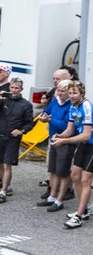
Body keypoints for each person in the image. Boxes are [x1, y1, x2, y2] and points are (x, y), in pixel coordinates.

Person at [0, 77, 34, 204]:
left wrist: (21, 131)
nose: (14, 90)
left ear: (21, 89)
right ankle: (5, 186)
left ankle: (3, 192)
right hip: (0, 135)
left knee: (7, 164)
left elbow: (30, 123)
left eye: (17, 88)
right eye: (12, 87)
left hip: (13, 139)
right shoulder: (5, 100)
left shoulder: (26, 105)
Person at [50, 81, 93, 228]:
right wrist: (60, 136)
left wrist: (65, 141)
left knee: (86, 180)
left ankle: (79, 216)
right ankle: (85, 208)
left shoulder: (86, 106)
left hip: (91, 144)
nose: (72, 96)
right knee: (75, 176)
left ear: (82, 94)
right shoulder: (72, 107)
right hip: (84, 144)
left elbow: (86, 135)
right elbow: (69, 129)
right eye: (70, 93)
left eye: (75, 93)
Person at [37, 79, 73, 212]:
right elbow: (45, 112)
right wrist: (43, 116)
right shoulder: (55, 102)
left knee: (62, 172)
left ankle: (59, 199)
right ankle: (52, 196)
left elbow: (66, 126)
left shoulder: (71, 106)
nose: (60, 93)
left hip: (65, 141)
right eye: (59, 90)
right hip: (53, 140)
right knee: (52, 170)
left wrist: (50, 119)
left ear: (69, 92)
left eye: (63, 91)